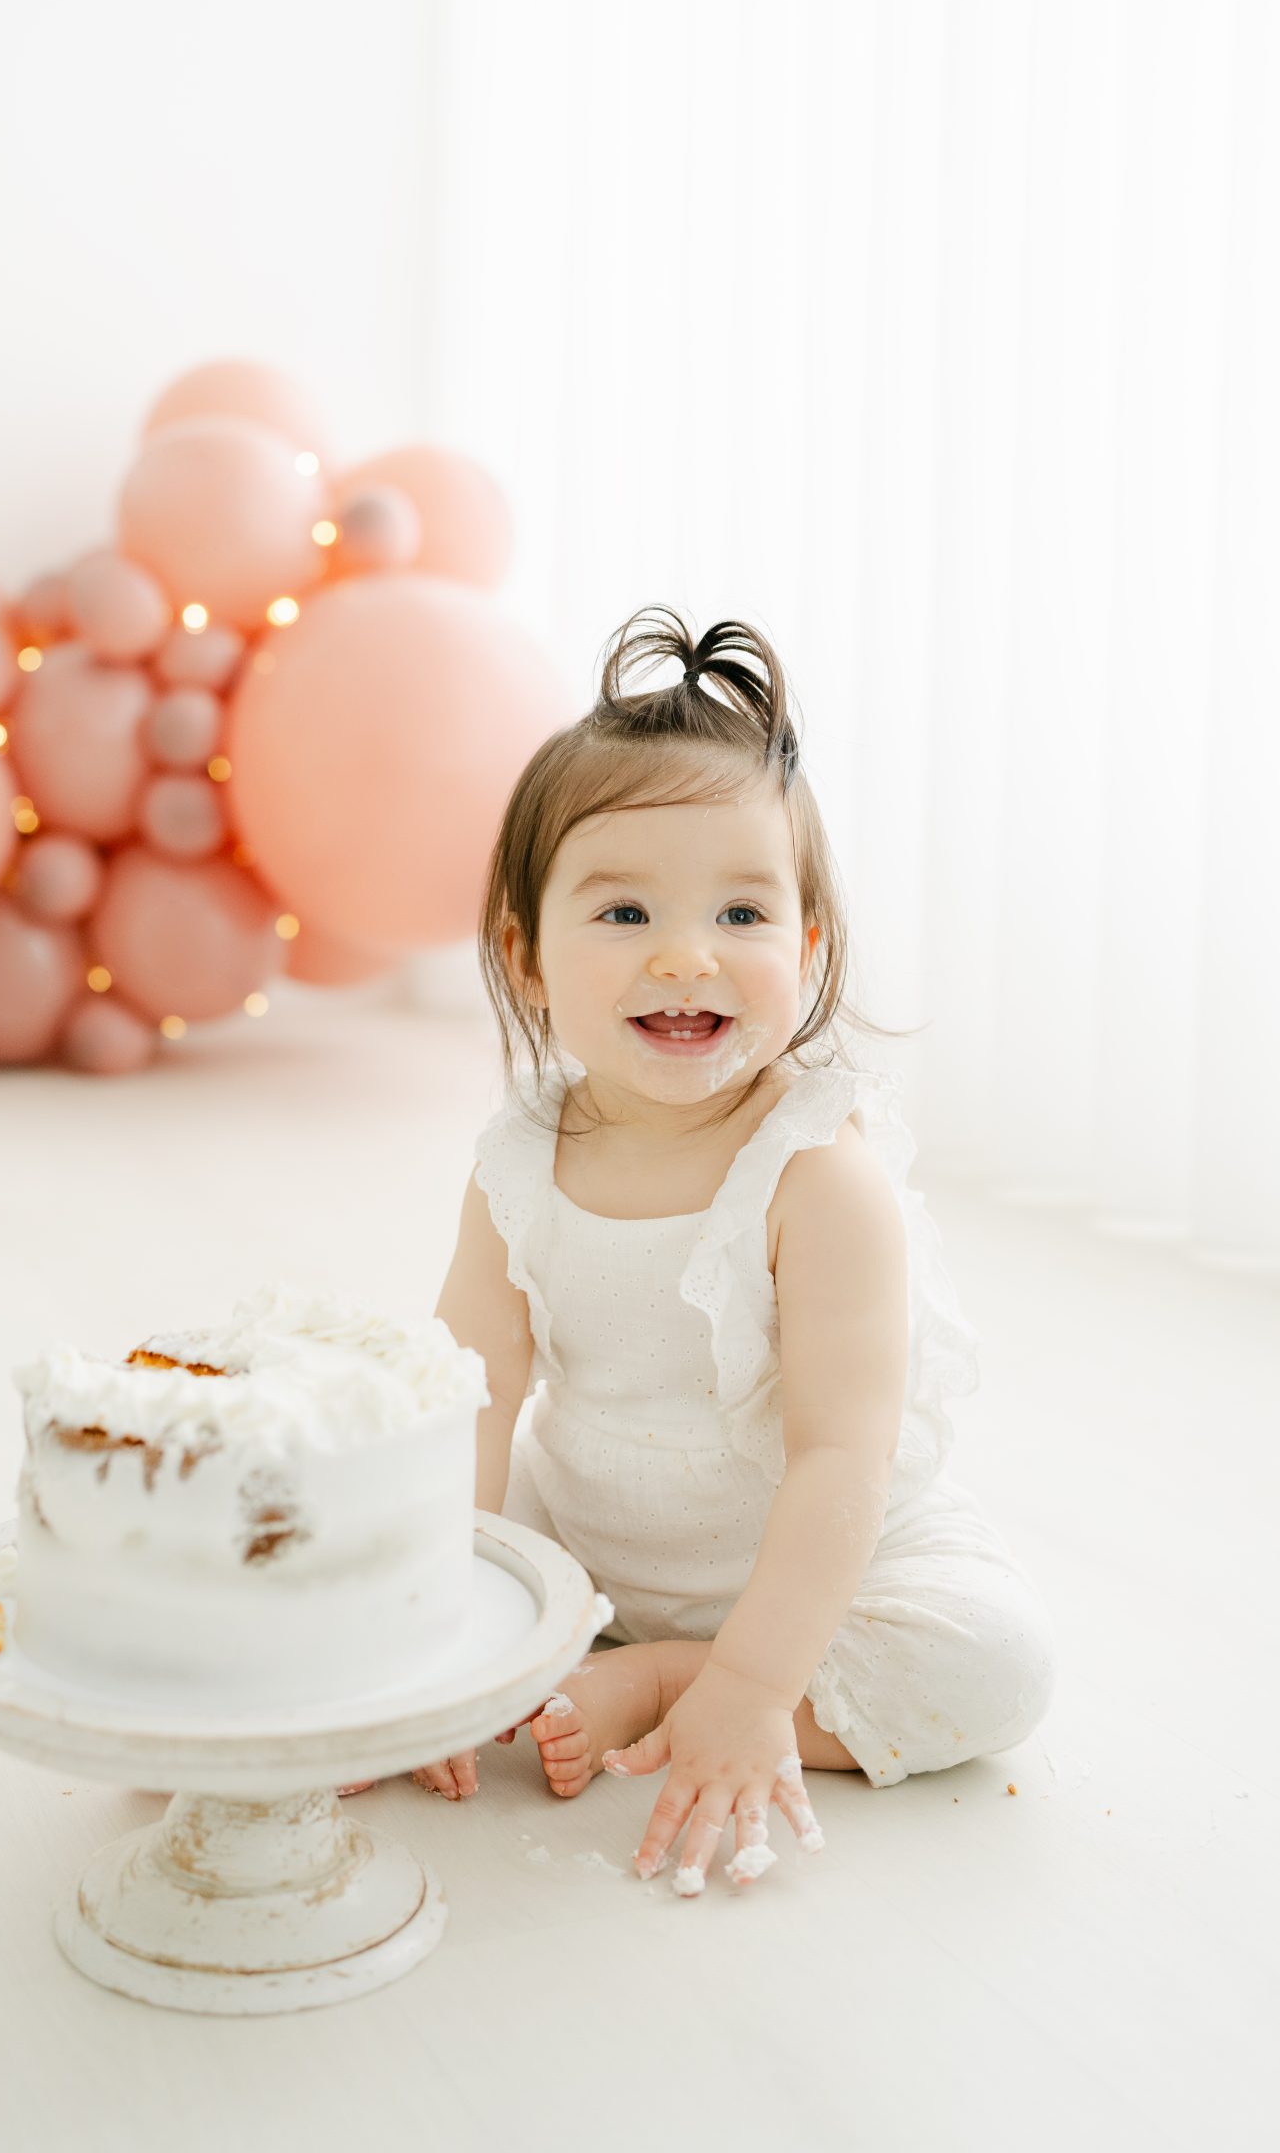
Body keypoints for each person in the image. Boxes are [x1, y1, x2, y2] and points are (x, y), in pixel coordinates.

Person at [340, 604, 1056, 1895]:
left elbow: (842, 1454)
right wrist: (431, 1640)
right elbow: (473, 1397)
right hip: (596, 1529)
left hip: (824, 1562)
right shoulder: (518, 1159)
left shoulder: (818, 1177)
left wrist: (753, 1683)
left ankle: (672, 1680)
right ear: (526, 957)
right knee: (380, 1535)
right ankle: (574, 1645)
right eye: (624, 913)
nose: (686, 956)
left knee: (994, 1666)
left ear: (807, 946)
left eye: (741, 912)